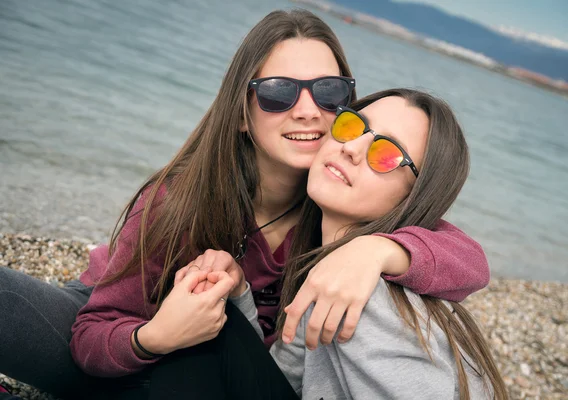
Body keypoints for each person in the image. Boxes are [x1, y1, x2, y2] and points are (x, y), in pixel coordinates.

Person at [0, 9, 488, 399]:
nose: (306, 109)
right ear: (240, 114)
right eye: (277, 93)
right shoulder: (178, 200)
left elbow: (468, 261)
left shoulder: (340, 200)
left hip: (207, 366)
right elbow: (92, 336)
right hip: (125, 319)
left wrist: (376, 252)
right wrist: (156, 336)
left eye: (329, 91)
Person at [147, 89, 509, 399]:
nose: (353, 148)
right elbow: (283, 382)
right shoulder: (331, 275)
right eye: (353, 126)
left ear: (415, 197)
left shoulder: (365, 296)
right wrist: (238, 293)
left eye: (386, 154)